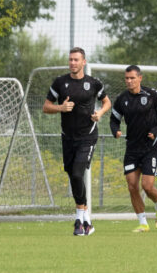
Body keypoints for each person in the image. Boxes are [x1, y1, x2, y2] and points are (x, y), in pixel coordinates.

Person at [43, 48, 111, 237]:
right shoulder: (60, 82)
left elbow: (107, 102)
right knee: (73, 176)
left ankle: (79, 219)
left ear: (84, 62)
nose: (72, 63)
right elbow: (46, 107)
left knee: (77, 173)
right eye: (70, 59)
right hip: (67, 137)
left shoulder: (93, 83)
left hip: (87, 137)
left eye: (76, 60)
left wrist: (100, 113)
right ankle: (86, 221)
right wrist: (61, 108)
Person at [110, 65, 157, 232]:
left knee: (147, 186)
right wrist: (115, 131)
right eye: (127, 78)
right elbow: (114, 119)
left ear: (140, 78)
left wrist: (156, 130)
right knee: (131, 186)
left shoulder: (151, 95)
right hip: (132, 148)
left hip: (150, 148)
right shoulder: (122, 98)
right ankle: (143, 223)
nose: (129, 81)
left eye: (132, 78)